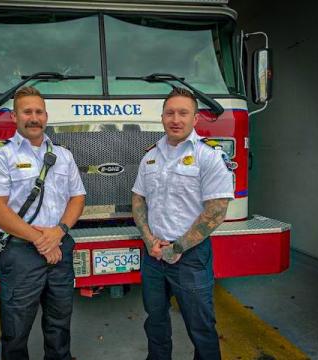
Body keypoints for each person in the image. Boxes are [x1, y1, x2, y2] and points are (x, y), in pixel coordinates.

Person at [0, 86, 86, 360]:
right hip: (21, 254)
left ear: (46, 116)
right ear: (14, 117)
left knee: (60, 325)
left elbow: (77, 197)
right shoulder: (1, 156)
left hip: (59, 249)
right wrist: (41, 240)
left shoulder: (63, 155)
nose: (34, 117)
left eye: (39, 112)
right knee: (15, 331)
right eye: (27, 112)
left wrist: (58, 231)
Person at [132, 88, 234, 360]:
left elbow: (216, 211)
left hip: (190, 257)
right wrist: (149, 240)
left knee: (201, 328)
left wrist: (176, 248)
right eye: (170, 113)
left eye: (183, 113)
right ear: (162, 117)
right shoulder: (150, 156)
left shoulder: (209, 156)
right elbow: (139, 199)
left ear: (195, 118)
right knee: (155, 323)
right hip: (154, 256)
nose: (175, 119)